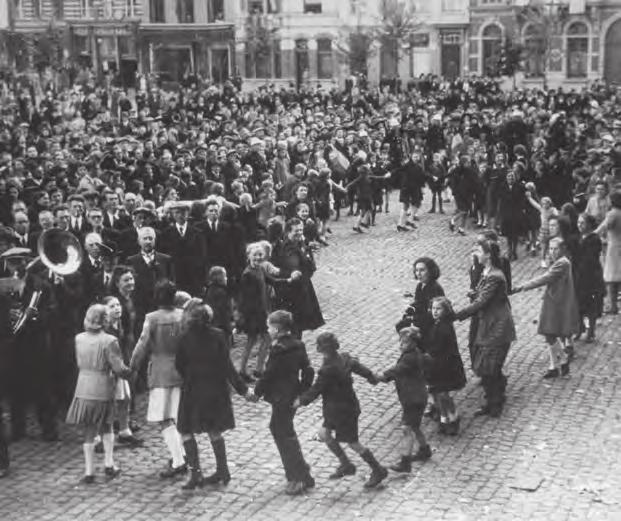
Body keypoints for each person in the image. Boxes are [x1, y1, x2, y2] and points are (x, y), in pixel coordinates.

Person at [294, 332, 387, 489]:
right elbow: (360, 368)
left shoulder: (327, 369)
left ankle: (378, 470)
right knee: (324, 434)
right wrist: (372, 378)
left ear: (321, 349)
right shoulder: (344, 358)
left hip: (341, 411)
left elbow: (316, 389)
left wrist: (300, 401)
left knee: (353, 443)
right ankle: (346, 464)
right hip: (343, 408)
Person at [175, 299, 250, 490]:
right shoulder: (218, 335)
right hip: (216, 389)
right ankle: (222, 470)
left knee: (185, 430)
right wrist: (243, 390)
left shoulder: (184, 337)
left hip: (193, 389)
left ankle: (195, 474)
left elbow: (179, 365)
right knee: (214, 430)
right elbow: (227, 366)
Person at [65, 304, 132, 484]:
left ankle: (89, 471)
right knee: (106, 426)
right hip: (103, 387)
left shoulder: (78, 338)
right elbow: (118, 367)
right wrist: (130, 371)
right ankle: (109, 464)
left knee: (88, 430)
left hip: (83, 387)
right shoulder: (109, 340)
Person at [252, 310, 315, 496]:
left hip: (280, 397)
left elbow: (269, 374)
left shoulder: (277, 349)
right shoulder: (298, 344)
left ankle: (297, 476)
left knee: (283, 434)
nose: (268, 329)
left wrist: (256, 392)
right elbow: (308, 370)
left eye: (270, 326)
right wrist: (302, 392)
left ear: (278, 328)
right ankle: (301, 471)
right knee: (283, 431)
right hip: (291, 395)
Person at [454, 238, 516, 418]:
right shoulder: (486, 271)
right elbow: (481, 294)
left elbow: (482, 302)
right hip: (488, 323)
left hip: (497, 325)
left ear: (488, 255)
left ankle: (495, 403)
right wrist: (474, 293)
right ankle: (491, 401)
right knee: (486, 366)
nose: (475, 253)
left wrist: (457, 315)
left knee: (490, 366)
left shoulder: (495, 275)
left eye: (479, 251)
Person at [130, 280, 186, 478]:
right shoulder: (183, 316)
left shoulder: (152, 318)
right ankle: (182, 454)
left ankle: (179, 460)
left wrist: (132, 367)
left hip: (161, 371)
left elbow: (142, 344)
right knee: (178, 416)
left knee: (164, 418)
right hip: (182, 370)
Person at [513, 238, 580, 378]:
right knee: (550, 334)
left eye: (555, 249)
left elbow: (545, 278)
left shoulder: (562, 263)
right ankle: (554, 366)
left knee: (549, 333)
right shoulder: (559, 262)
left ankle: (562, 359)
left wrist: (521, 287)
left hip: (557, 304)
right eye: (550, 248)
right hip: (554, 302)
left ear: (562, 249)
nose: (552, 252)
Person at [377, 326, 431, 473]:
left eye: (405, 342)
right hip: (416, 397)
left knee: (407, 429)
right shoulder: (414, 354)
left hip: (413, 399)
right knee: (415, 426)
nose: (401, 345)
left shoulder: (410, 357)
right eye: (400, 341)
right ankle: (424, 450)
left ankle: (405, 463)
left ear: (413, 343)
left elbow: (397, 370)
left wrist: (380, 377)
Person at [272, 218, 324, 337]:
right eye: (296, 231)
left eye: (301, 230)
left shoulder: (300, 244)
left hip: (302, 287)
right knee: (293, 324)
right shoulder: (286, 247)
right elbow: (294, 266)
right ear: (288, 232)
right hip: (292, 290)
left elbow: (311, 267)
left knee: (298, 325)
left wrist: (306, 252)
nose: (300, 233)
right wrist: (304, 257)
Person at [424, 297, 466, 435]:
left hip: (445, 366)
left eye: (438, 309)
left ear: (445, 310)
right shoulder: (437, 323)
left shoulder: (444, 327)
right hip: (437, 365)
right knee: (438, 394)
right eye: (433, 309)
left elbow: (438, 347)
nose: (435, 312)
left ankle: (453, 418)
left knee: (443, 395)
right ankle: (444, 419)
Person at [396, 257, 444, 345]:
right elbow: (418, 303)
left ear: (430, 271)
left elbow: (433, 314)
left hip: (431, 326)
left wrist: (413, 319)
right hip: (421, 320)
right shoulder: (420, 286)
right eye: (416, 270)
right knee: (400, 325)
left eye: (422, 270)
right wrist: (410, 309)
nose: (418, 274)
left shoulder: (434, 289)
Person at [575, 214, 605, 342]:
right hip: (580, 277)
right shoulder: (579, 238)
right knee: (579, 304)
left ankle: (591, 331)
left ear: (590, 225)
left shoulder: (594, 239)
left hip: (591, 277)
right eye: (578, 222)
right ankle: (579, 328)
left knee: (591, 305)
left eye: (582, 223)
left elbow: (591, 259)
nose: (579, 225)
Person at [595, 191, 621, 315]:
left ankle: (613, 305)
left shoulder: (613, 214)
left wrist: (589, 236)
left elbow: (602, 228)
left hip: (614, 248)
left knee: (611, 278)